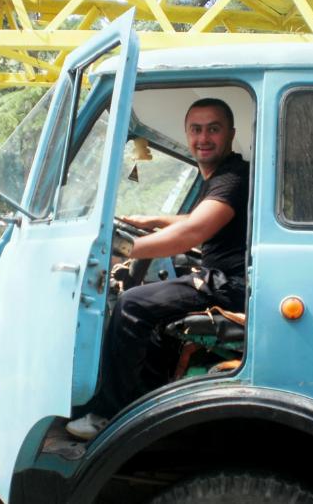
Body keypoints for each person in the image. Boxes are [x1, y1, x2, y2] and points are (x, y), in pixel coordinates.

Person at [66, 98, 249, 440]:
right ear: (187, 133)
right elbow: (200, 218)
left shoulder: (233, 177)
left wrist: (122, 250)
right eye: (196, 129)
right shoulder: (223, 176)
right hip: (227, 281)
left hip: (231, 284)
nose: (203, 138)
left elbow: (193, 232)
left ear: (230, 134)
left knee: (132, 304)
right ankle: (147, 398)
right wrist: (152, 221)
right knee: (153, 307)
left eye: (213, 129)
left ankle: (107, 415)